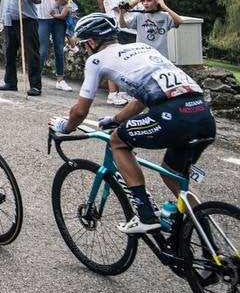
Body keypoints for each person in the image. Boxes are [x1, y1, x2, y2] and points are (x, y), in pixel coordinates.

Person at [51, 13, 215, 233]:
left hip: (173, 115)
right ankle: (211, 246)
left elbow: (80, 111)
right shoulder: (144, 48)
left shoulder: (96, 60)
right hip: (203, 114)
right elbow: (140, 100)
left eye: (83, 45)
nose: (84, 50)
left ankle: (146, 215)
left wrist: (65, 127)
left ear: (91, 42)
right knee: (171, 174)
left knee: (118, 140)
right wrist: (116, 118)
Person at [32, 0, 71, 91]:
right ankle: (36, 78)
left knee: (59, 49)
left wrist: (66, 10)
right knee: (42, 50)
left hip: (58, 18)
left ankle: (60, 79)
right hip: (42, 18)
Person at [119, 0, 183, 58]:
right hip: (143, 55)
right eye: (143, 1)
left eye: (149, 0)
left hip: (160, 55)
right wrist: (122, 12)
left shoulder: (165, 16)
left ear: (157, 1)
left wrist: (164, 6)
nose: (145, 3)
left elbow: (180, 21)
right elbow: (122, 25)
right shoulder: (139, 16)